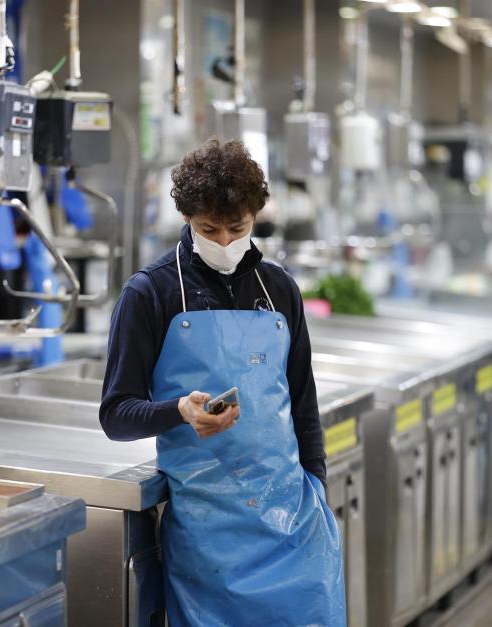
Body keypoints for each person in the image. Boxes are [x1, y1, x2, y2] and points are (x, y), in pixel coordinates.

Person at [100, 138, 346, 625]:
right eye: (209, 229)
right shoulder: (151, 293)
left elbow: (303, 402)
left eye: (239, 227)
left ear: (257, 217)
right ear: (187, 219)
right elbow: (116, 415)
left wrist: (316, 486)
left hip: (293, 523)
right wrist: (177, 412)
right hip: (207, 534)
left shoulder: (278, 290)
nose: (226, 241)